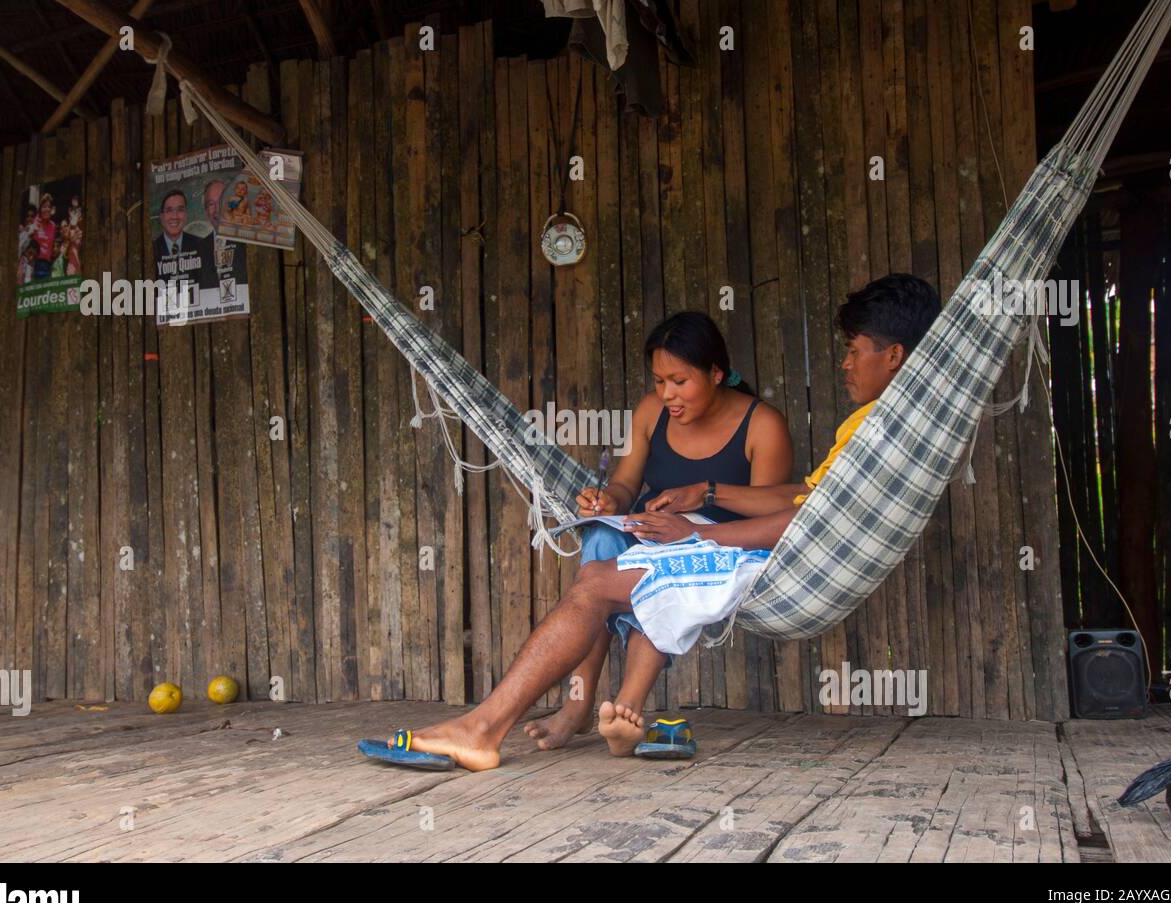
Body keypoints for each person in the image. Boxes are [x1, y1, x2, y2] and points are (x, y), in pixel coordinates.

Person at [379, 273, 942, 771]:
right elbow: (810, 504)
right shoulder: (880, 424)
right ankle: (577, 710)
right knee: (609, 552)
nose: (845, 362)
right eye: (659, 382)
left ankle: (491, 727)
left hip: (755, 560)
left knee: (600, 581)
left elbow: (798, 521)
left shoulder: (853, 429)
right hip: (725, 543)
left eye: (853, 350)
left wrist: (699, 526)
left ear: (893, 355)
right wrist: (637, 500)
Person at [522, 311, 793, 756]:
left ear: (716, 374)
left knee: (654, 563)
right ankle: (579, 700)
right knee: (601, 540)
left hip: (725, 548)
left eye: (680, 381)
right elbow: (627, 484)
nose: (667, 394)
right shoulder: (651, 412)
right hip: (655, 532)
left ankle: (627, 706)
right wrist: (608, 501)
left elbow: (768, 518)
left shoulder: (763, 425)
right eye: (659, 380)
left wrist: (697, 516)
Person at [152, 189, 217, 290]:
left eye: (180, 210)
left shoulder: (202, 246)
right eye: (169, 210)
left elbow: (210, 284)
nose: (175, 216)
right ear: (162, 217)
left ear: (186, 214)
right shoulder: (151, 251)